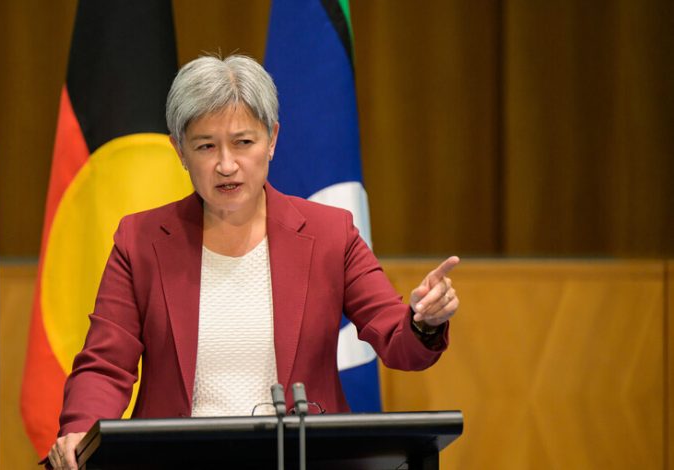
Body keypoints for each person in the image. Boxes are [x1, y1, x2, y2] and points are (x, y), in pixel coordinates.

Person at [47, 54, 459, 470]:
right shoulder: (141, 240)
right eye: (206, 146)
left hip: (303, 460)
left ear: (272, 139)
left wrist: (423, 321)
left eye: (243, 142)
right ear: (180, 150)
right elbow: (106, 363)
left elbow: (396, 340)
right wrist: (80, 430)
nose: (227, 165)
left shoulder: (330, 234)